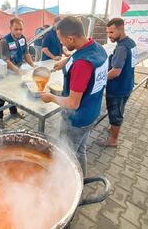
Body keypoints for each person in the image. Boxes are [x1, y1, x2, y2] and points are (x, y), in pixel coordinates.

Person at [40, 16, 108, 175]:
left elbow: (72, 103)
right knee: (80, 151)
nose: (61, 44)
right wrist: (65, 61)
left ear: (71, 38)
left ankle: (60, 188)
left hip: (76, 120)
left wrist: (51, 97)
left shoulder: (82, 65)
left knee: (65, 158)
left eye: (62, 41)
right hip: (92, 113)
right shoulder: (97, 47)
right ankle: (82, 180)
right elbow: (81, 52)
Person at [97, 18, 136, 147]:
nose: (109, 36)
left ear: (120, 29)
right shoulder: (131, 43)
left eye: (112, 32)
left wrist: (98, 80)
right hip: (127, 84)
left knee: (115, 113)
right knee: (119, 109)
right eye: (108, 33)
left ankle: (113, 140)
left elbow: (115, 72)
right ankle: (113, 128)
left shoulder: (122, 48)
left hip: (118, 88)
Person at [0, 17, 35, 122]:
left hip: (18, 69)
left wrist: (32, 64)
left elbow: (26, 53)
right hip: (6, 71)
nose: (19, 32)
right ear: (10, 28)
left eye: (21, 29)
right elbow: (6, 61)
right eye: (16, 29)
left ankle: (13, 111)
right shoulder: (4, 41)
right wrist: (18, 71)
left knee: (14, 91)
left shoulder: (22, 38)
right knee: (2, 94)